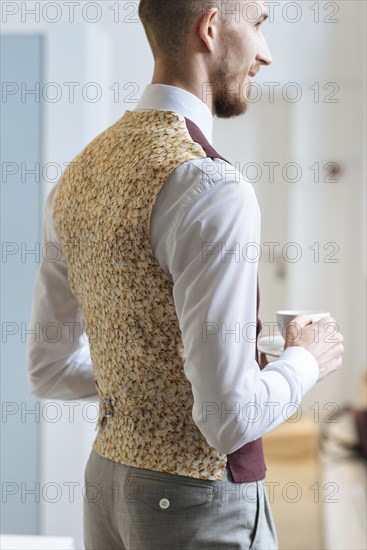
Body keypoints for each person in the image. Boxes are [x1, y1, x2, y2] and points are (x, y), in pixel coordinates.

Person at [27, 1, 344, 548]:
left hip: (107, 486)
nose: (265, 54)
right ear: (211, 26)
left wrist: (155, 376)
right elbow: (227, 419)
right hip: (197, 502)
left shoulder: (78, 175)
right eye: (260, 25)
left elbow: (47, 369)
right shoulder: (211, 185)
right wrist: (304, 361)